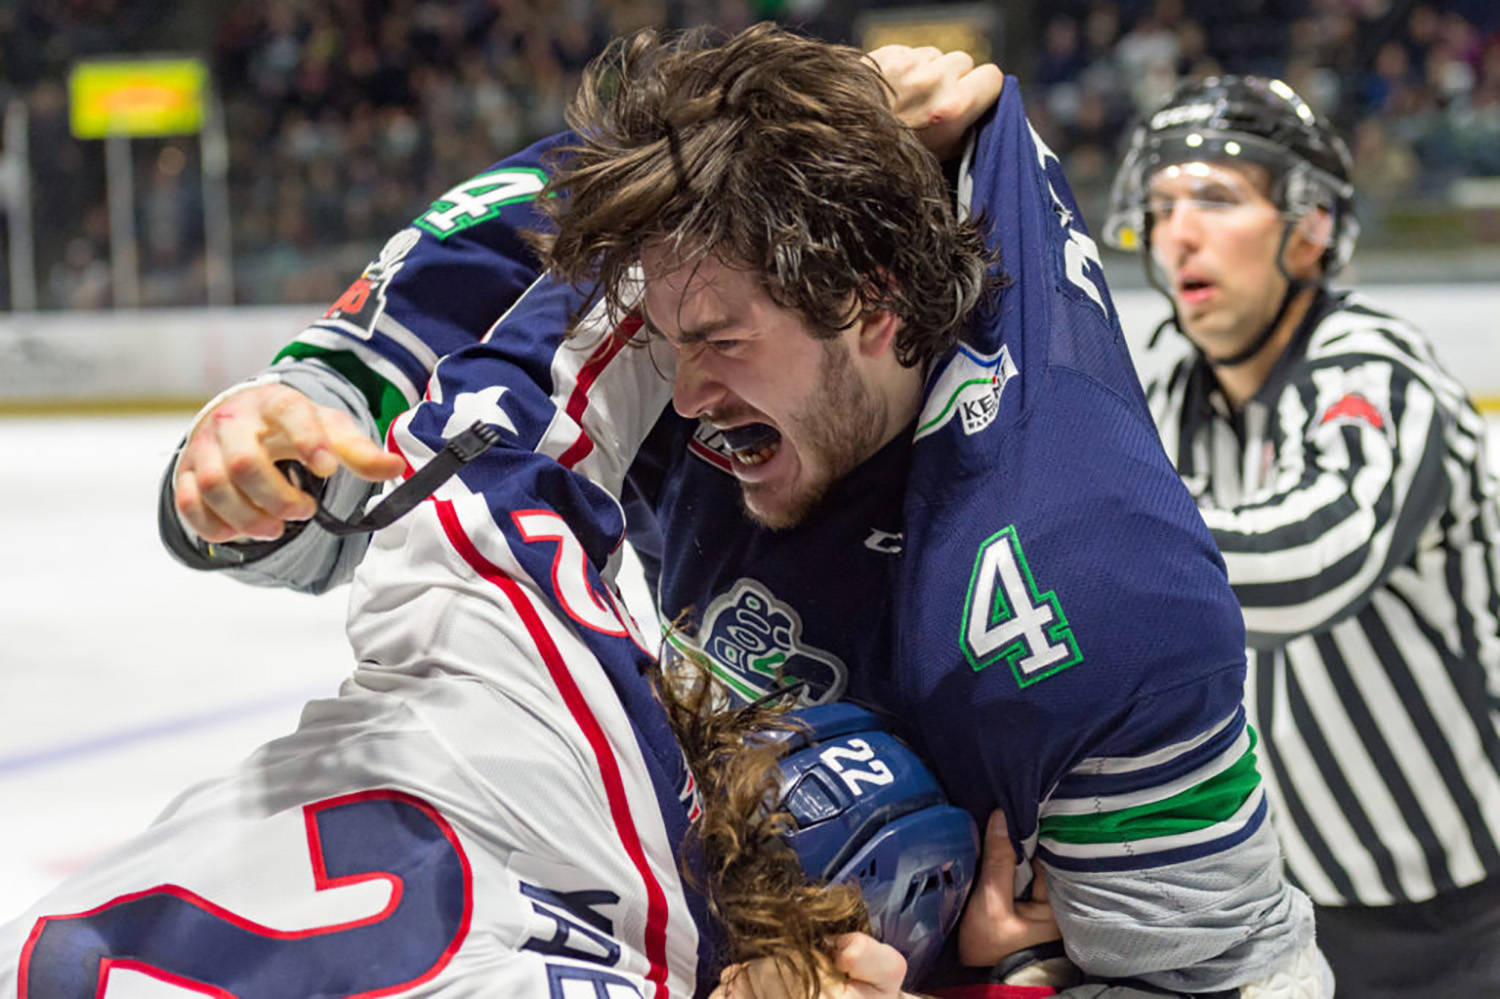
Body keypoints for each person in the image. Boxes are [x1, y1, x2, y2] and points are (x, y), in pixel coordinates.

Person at [156, 27, 1326, 996]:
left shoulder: (1090, 585)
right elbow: (542, 229)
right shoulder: (727, 291)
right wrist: (290, 414)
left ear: (872, 303)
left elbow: (1226, 979)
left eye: (718, 345)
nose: (685, 391)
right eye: (662, 344)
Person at [1103, 74, 1500, 997]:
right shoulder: (1172, 396)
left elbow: (1307, 562)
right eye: (1160, 207)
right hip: (1300, 905)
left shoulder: (1376, 364)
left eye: (1214, 198)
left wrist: (1094, 540)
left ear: (1312, 225)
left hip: (1472, 908)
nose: (1177, 233)